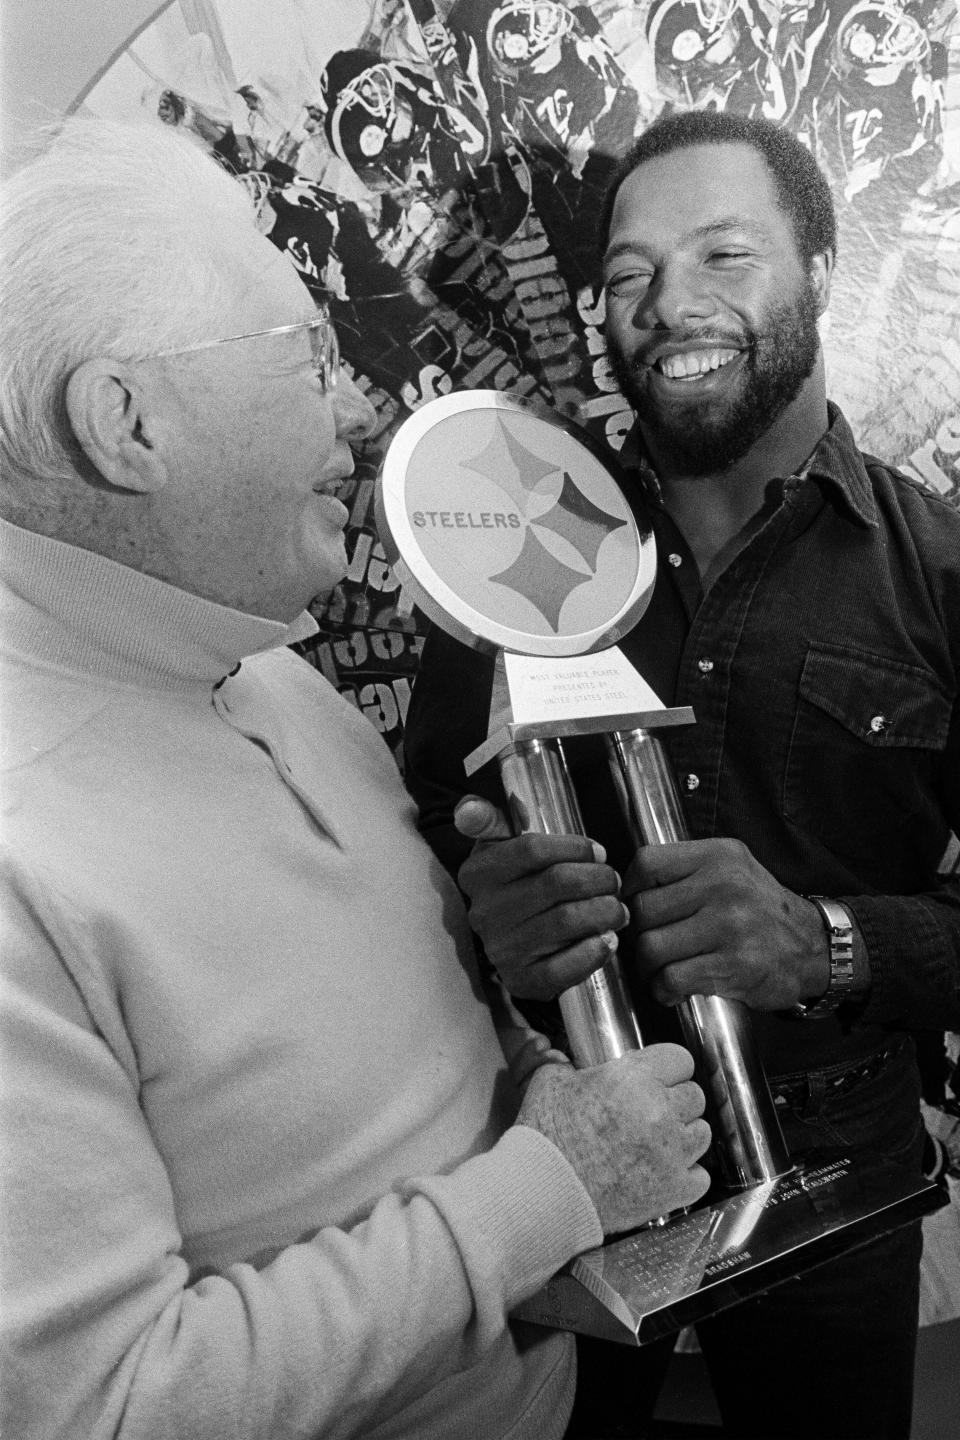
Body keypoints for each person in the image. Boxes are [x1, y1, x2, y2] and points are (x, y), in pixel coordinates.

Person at [0, 118, 713, 1440]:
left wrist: (498, 969)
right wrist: (550, 1184)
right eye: (304, 355)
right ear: (128, 422)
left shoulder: (271, 671)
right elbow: (105, 1409)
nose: (354, 407)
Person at [404, 109, 960, 1439]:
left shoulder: (938, 573)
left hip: (846, 1161)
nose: (670, 306)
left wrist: (825, 946)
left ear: (824, 266)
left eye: (724, 255)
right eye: (633, 276)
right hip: (567, 1152)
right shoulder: (499, 548)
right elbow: (437, 817)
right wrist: (488, 913)